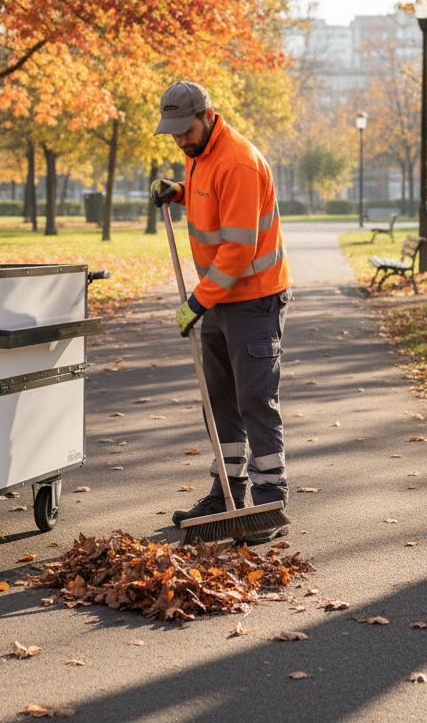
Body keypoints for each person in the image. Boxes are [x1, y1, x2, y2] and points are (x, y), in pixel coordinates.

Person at [150, 81, 292, 541]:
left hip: (253, 298)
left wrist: (197, 301)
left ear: (207, 114)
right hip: (219, 297)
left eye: (184, 129)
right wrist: (179, 192)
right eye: (171, 133)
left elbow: (239, 245)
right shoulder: (201, 157)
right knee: (220, 403)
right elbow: (210, 199)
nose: (179, 140)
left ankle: (270, 502)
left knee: (254, 401)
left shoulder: (238, 161)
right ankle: (226, 491)